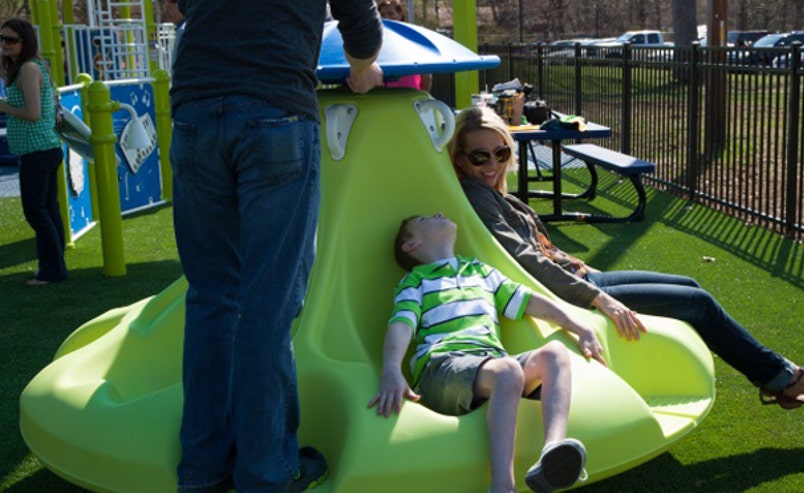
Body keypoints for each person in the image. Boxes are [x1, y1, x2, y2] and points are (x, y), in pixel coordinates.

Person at [448, 106, 804, 412]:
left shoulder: (494, 193)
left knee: (691, 289)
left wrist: (586, 272)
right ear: (460, 161)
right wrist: (598, 298)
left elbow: (539, 248)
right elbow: (521, 257)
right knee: (697, 303)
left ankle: (779, 378)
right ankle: (784, 379)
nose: (491, 165)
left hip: (577, 276)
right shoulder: (476, 195)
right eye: (479, 157)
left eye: (499, 153)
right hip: (568, 291)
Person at [169, 1, 383, 492]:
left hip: (195, 112)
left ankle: (202, 469)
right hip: (275, 110)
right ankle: (265, 472)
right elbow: (362, 25)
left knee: (210, 298)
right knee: (267, 304)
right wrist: (363, 69)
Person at [369, 212, 600, 493]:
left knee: (555, 353)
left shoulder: (479, 271)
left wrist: (580, 328)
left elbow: (529, 301)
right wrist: (391, 369)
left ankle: (552, 451)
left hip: (490, 365)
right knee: (507, 369)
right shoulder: (416, 281)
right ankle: (502, 485)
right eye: (425, 219)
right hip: (442, 368)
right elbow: (401, 325)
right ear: (411, 245)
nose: (439, 213)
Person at [0, 19, 67, 286]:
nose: (4, 43)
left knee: (36, 212)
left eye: (10, 40)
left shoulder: (29, 69)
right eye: (1, 38)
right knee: (48, 210)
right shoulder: (28, 66)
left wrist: (3, 107)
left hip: (37, 152)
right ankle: (55, 266)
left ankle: (52, 270)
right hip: (44, 149)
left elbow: (33, 113)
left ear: (24, 43)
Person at [377, 0, 432, 92]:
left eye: (391, 13)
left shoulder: (412, 38)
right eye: (383, 14)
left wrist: (424, 96)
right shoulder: (376, 42)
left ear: (400, 14)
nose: (386, 18)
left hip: (410, 95)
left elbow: (426, 73)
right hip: (385, 97)